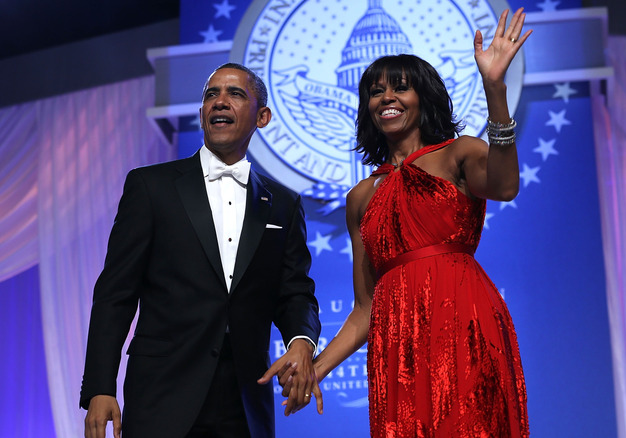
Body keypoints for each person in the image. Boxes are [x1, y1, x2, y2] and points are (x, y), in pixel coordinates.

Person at [280, 8, 532, 437]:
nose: (386, 98)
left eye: (400, 87)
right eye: (376, 91)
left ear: (424, 97)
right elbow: (364, 309)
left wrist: (495, 90)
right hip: (398, 346)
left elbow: (506, 186)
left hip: (464, 324)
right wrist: (316, 370)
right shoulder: (361, 196)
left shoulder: (459, 153)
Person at [80, 63, 321, 438]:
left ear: (263, 116)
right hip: (161, 396)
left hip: (245, 400)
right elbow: (115, 294)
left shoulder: (283, 204)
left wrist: (302, 342)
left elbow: (295, 293)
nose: (220, 102)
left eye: (235, 94)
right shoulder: (150, 186)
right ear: (202, 113)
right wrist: (99, 386)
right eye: (212, 94)